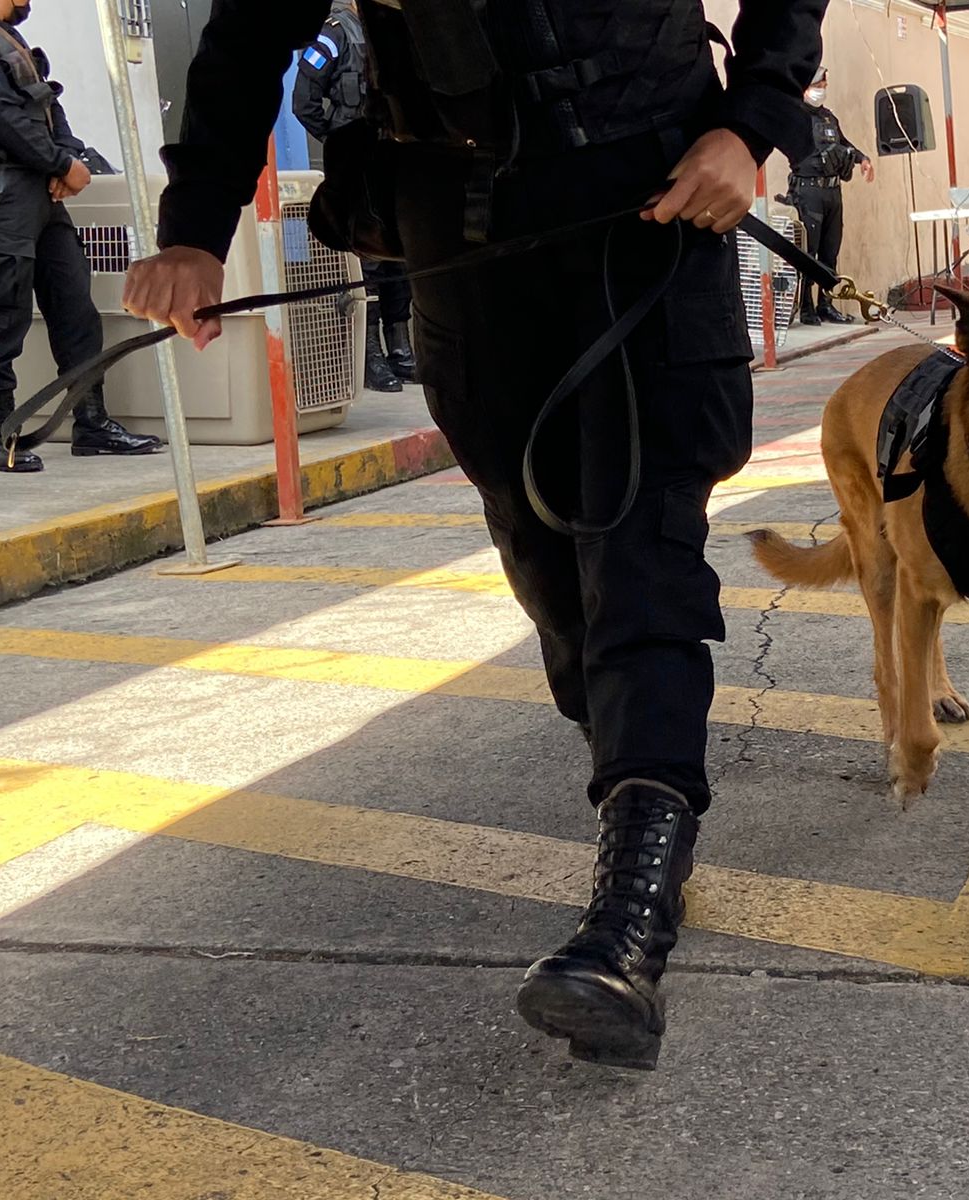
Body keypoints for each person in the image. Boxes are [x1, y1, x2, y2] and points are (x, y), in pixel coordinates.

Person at [125, 0, 824, 1069]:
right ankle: (646, 808)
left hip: (652, 193)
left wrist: (754, 120)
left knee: (639, 550)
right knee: (546, 564)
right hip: (460, 225)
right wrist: (193, 228)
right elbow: (248, 33)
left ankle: (628, 925)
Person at [0, 0, 161, 473]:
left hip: (41, 194)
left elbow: (49, 106)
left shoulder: (14, 41)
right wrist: (60, 164)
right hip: (10, 192)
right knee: (5, 315)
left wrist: (70, 157)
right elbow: (6, 122)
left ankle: (91, 423)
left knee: (75, 307)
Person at [291, 0, 414, 392]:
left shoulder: (397, 23)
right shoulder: (336, 33)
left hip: (396, 160)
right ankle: (372, 356)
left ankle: (402, 350)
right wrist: (338, 142)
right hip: (360, 168)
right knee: (370, 264)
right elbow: (304, 100)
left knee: (402, 257)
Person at [789, 67, 872, 325]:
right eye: (818, 84)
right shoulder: (795, 117)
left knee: (830, 251)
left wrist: (862, 159)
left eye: (824, 84)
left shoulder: (828, 118)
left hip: (832, 191)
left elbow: (845, 144)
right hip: (808, 191)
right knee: (808, 252)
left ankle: (826, 304)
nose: (822, 89)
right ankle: (807, 307)